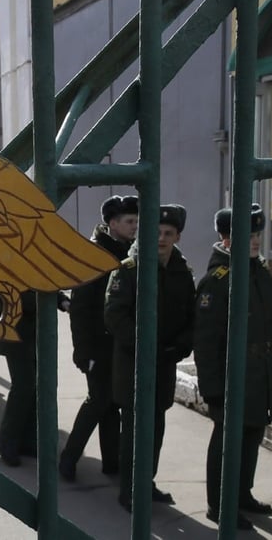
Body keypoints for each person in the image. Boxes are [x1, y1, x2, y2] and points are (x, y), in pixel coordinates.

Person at [194, 203, 272, 530]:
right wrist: (212, 387)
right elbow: (206, 341)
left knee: (251, 436)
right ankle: (218, 504)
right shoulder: (217, 280)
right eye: (247, 236)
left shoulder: (260, 271)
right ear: (226, 239)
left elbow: (266, 317)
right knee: (227, 442)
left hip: (258, 371)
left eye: (256, 234)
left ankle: (242, 494)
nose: (255, 241)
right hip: (229, 374)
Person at [104, 204, 196, 512]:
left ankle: (148, 482)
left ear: (177, 236)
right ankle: (129, 489)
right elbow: (114, 316)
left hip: (165, 363)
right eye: (155, 232)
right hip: (134, 364)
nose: (161, 238)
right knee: (133, 429)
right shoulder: (129, 269)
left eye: (168, 233)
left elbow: (190, 317)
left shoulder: (183, 271)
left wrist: (179, 346)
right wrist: (145, 345)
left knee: (156, 426)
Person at [59, 195, 138, 482]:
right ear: (112, 223)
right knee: (99, 400)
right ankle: (68, 458)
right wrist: (84, 353)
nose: (135, 227)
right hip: (97, 346)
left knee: (112, 402)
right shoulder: (93, 255)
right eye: (129, 221)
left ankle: (111, 461)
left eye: (136, 222)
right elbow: (80, 310)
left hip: (118, 345)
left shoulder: (128, 253)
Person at [0, 290, 70, 466]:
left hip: (33, 335)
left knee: (35, 388)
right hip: (15, 333)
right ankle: (7, 442)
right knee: (23, 387)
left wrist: (61, 300)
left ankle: (27, 440)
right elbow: (28, 292)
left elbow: (45, 282)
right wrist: (52, 299)